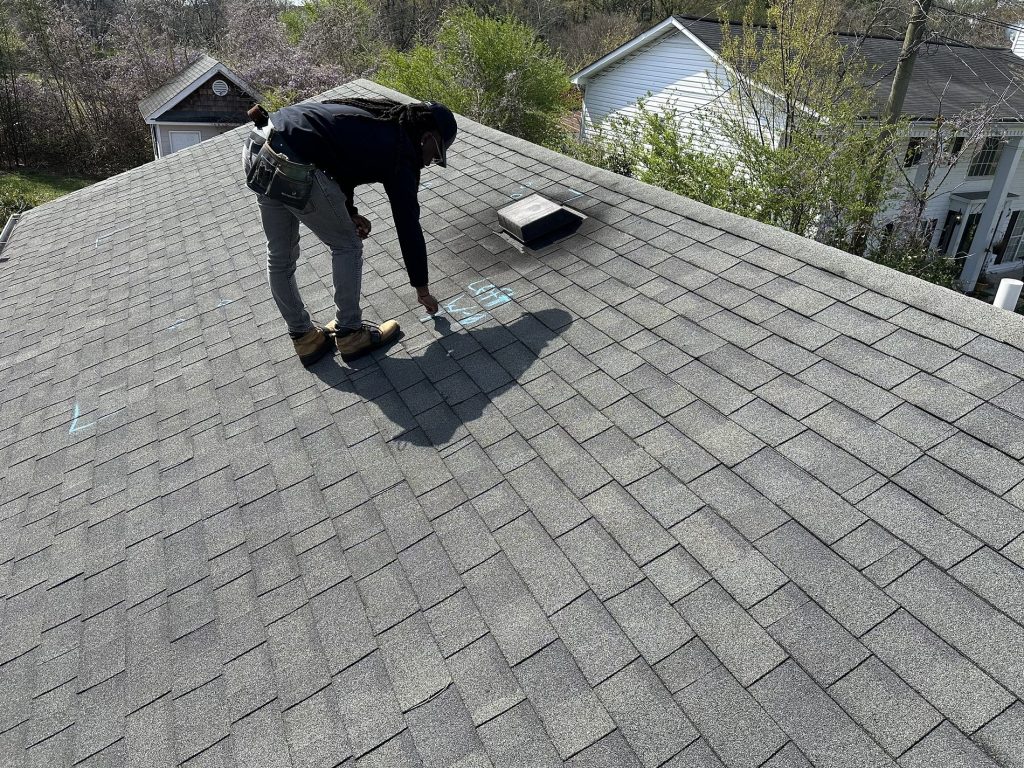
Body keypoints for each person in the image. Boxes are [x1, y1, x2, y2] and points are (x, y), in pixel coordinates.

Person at [242, 97, 458, 366]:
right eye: (436, 155)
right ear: (427, 137)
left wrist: (350, 212)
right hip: (293, 161)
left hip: (259, 145)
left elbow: (339, 160)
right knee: (347, 245)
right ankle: (350, 332)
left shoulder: (377, 121)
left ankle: (304, 338)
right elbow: (408, 225)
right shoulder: (401, 151)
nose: (429, 163)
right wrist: (422, 288)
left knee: (280, 255)